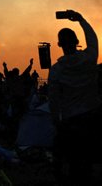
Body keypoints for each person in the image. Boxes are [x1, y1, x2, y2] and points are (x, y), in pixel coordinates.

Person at [48, 10, 101, 185]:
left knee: (73, 163)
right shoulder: (89, 59)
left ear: (59, 44)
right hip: (93, 117)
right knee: (89, 162)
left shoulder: (57, 70)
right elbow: (93, 41)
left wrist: (57, 121)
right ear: (77, 42)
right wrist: (81, 20)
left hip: (71, 121)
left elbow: (54, 100)